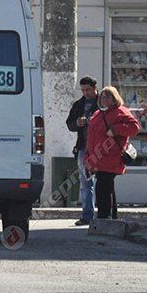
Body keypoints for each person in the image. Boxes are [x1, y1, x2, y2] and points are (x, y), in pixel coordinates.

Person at [84, 86, 140, 220]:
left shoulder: (121, 111)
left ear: (115, 98)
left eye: (108, 96)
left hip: (111, 157)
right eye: (103, 96)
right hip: (98, 157)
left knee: (102, 187)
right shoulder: (98, 114)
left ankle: (104, 217)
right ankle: (111, 217)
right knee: (107, 188)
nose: (104, 99)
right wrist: (88, 157)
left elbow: (134, 127)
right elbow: (91, 137)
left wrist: (115, 130)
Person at [66, 75, 100, 226]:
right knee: (86, 183)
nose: (85, 93)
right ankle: (87, 215)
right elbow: (69, 124)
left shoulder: (103, 102)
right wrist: (77, 123)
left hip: (102, 148)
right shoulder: (79, 104)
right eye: (83, 90)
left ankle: (107, 215)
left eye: (88, 90)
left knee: (104, 183)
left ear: (95, 88)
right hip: (84, 148)